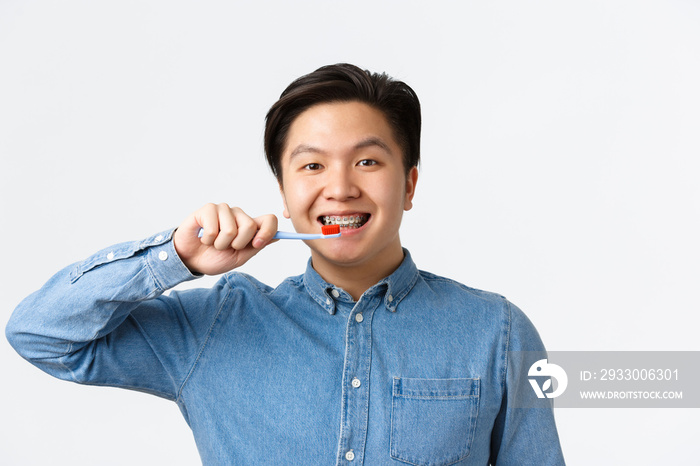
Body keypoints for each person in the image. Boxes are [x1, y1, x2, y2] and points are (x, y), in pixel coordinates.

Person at [6, 63, 565, 465]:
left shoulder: (500, 333)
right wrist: (175, 258)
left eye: (368, 161)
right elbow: (40, 334)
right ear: (283, 188)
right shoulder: (217, 325)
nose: (340, 188)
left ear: (410, 183)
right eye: (312, 166)